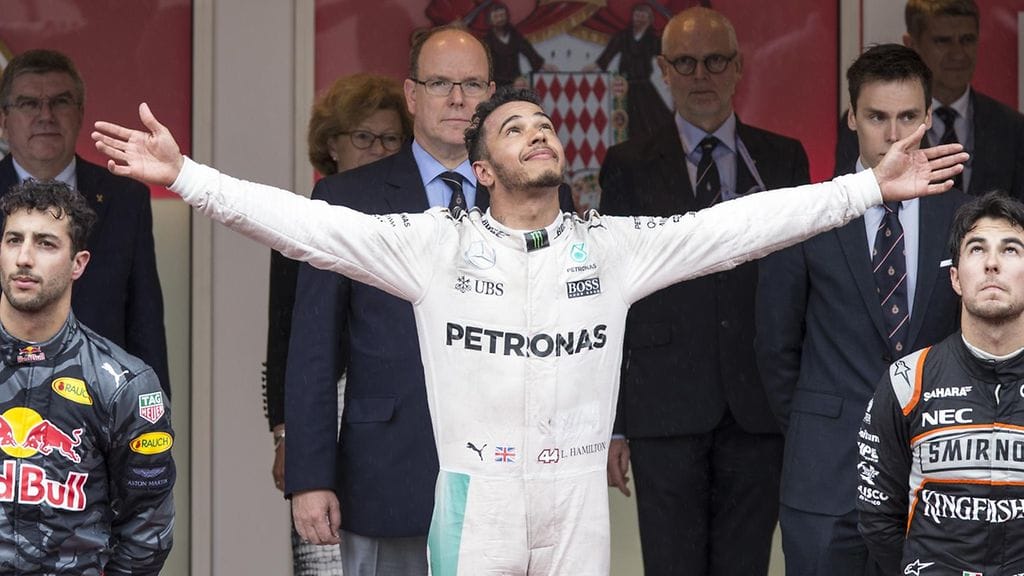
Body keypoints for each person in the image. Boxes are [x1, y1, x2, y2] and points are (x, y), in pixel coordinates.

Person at [92, 85, 964, 574]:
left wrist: (867, 189)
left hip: (577, 499)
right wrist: (187, 176)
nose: (538, 133)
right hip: (475, 501)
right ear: (482, 169)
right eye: (515, 128)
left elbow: (739, 227)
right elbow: (305, 227)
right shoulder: (433, 246)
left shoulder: (610, 247)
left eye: (544, 125)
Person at [598, 7, 808, 575]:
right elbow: (612, 297)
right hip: (663, 408)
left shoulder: (783, 159)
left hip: (760, 408)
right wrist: (614, 422)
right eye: (685, 63)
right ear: (664, 70)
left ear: (738, 67)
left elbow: (803, 290)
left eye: (715, 61)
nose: (701, 75)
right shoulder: (626, 165)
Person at [757, 44, 968, 576]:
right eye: (877, 117)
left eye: (908, 117)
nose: (894, 136)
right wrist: (818, 424)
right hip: (825, 476)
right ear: (852, 116)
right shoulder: (807, 213)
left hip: (934, 477)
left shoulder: (962, 217)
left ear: (929, 117)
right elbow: (775, 347)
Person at [262, 73, 412, 574]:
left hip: (393, 428)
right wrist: (287, 437)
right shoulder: (303, 222)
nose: (378, 150)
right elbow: (285, 341)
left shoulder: (414, 223)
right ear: (332, 144)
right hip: (321, 413)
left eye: (390, 139)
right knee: (323, 558)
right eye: (364, 137)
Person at [0, 179, 175, 574]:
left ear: (78, 264)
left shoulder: (124, 384)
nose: (24, 257)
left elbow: (147, 531)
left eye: (46, 244)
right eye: (14, 240)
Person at [858, 191, 1024, 576]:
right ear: (955, 277)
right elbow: (878, 518)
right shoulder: (907, 380)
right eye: (977, 249)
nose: (993, 263)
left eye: (1011, 250)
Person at [0, 49, 169, 395]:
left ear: (80, 114)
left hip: (101, 404)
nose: (45, 116)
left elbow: (145, 321)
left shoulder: (126, 198)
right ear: (4, 121)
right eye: (29, 104)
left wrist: (154, 410)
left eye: (60, 102)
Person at [835, 0, 1024, 199]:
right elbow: (845, 200)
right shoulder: (863, 121)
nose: (958, 54)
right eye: (942, 41)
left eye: (967, 40)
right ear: (912, 44)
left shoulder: (1012, 126)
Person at [585, 3, 672, 141]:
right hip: (624, 87)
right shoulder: (623, 36)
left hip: (644, 86)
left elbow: (664, 59)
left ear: (650, 20)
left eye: (643, 16)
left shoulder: (653, 39)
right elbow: (607, 56)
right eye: (637, 15)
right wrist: (592, 67)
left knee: (654, 119)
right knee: (626, 123)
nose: (639, 19)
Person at [483, 2, 553, 88]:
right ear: (490, 20)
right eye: (496, 17)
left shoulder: (514, 35)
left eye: (502, 16)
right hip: (496, 82)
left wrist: (542, 65)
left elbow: (527, 50)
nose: (500, 19)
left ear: (507, 16)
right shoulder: (487, 40)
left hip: (515, 80)